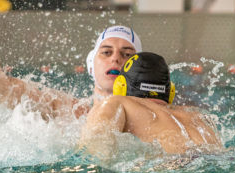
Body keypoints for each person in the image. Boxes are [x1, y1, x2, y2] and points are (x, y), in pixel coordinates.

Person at [0, 0, 220, 155]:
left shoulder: (167, 116)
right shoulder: (65, 110)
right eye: (107, 52)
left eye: (127, 55)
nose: (116, 56)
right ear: (91, 65)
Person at [79, 52, 221, 157]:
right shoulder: (198, 116)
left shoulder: (116, 102)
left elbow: (94, 150)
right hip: (217, 159)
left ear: (120, 86)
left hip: (171, 166)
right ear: (170, 91)